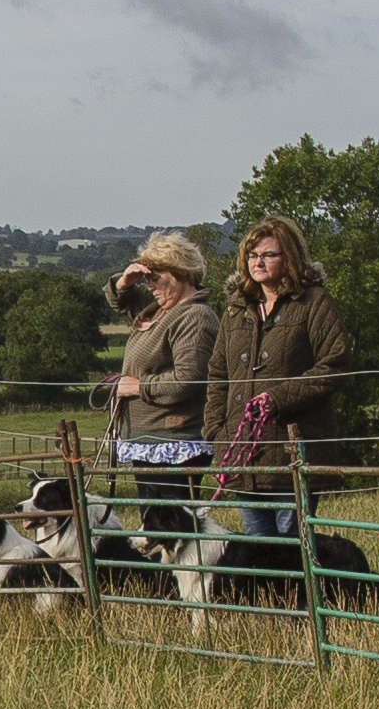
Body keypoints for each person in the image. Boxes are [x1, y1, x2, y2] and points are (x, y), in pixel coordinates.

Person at [207, 216, 353, 543]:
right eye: (252, 255)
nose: (258, 262)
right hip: (243, 453)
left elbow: (335, 364)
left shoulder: (314, 303)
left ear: (289, 258)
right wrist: (216, 430)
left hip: (293, 450)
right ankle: (272, 598)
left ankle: (303, 596)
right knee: (260, 552)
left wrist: (279, 398)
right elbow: (217, 374)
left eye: (268, 255)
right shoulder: (236, 309)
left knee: (296, 550)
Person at [103, 235, 218, 506]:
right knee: (157, 526)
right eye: (147, 278)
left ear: (179, 273)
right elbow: (123, 302)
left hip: (173, 439)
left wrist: (138, 386)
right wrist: (124, 282)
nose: (150, 285)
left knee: (172, 529)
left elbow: (187, 380)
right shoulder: (162, 311)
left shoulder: (194, 316)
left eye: (156, 277)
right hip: (150, 438)